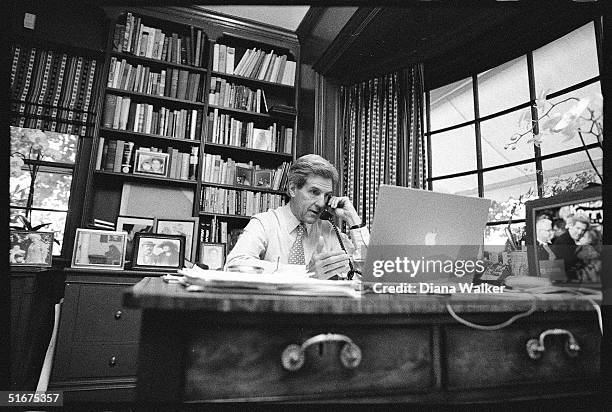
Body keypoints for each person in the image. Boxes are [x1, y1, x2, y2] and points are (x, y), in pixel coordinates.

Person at [225, 154, 369, 279]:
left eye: (326, 196)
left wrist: (354, 221)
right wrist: (305, 273)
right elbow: (234, 265)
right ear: (293, 189)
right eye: (314, 192)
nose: (321, 203)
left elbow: (368, 274)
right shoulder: (265, 223)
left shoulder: (329, 230)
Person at [551, 213, 590, 282]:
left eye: (583, 230)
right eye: (578, 228)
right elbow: (571, 266)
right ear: (571, 226)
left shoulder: (575, 241)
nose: (579, 232)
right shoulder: (562, 242)